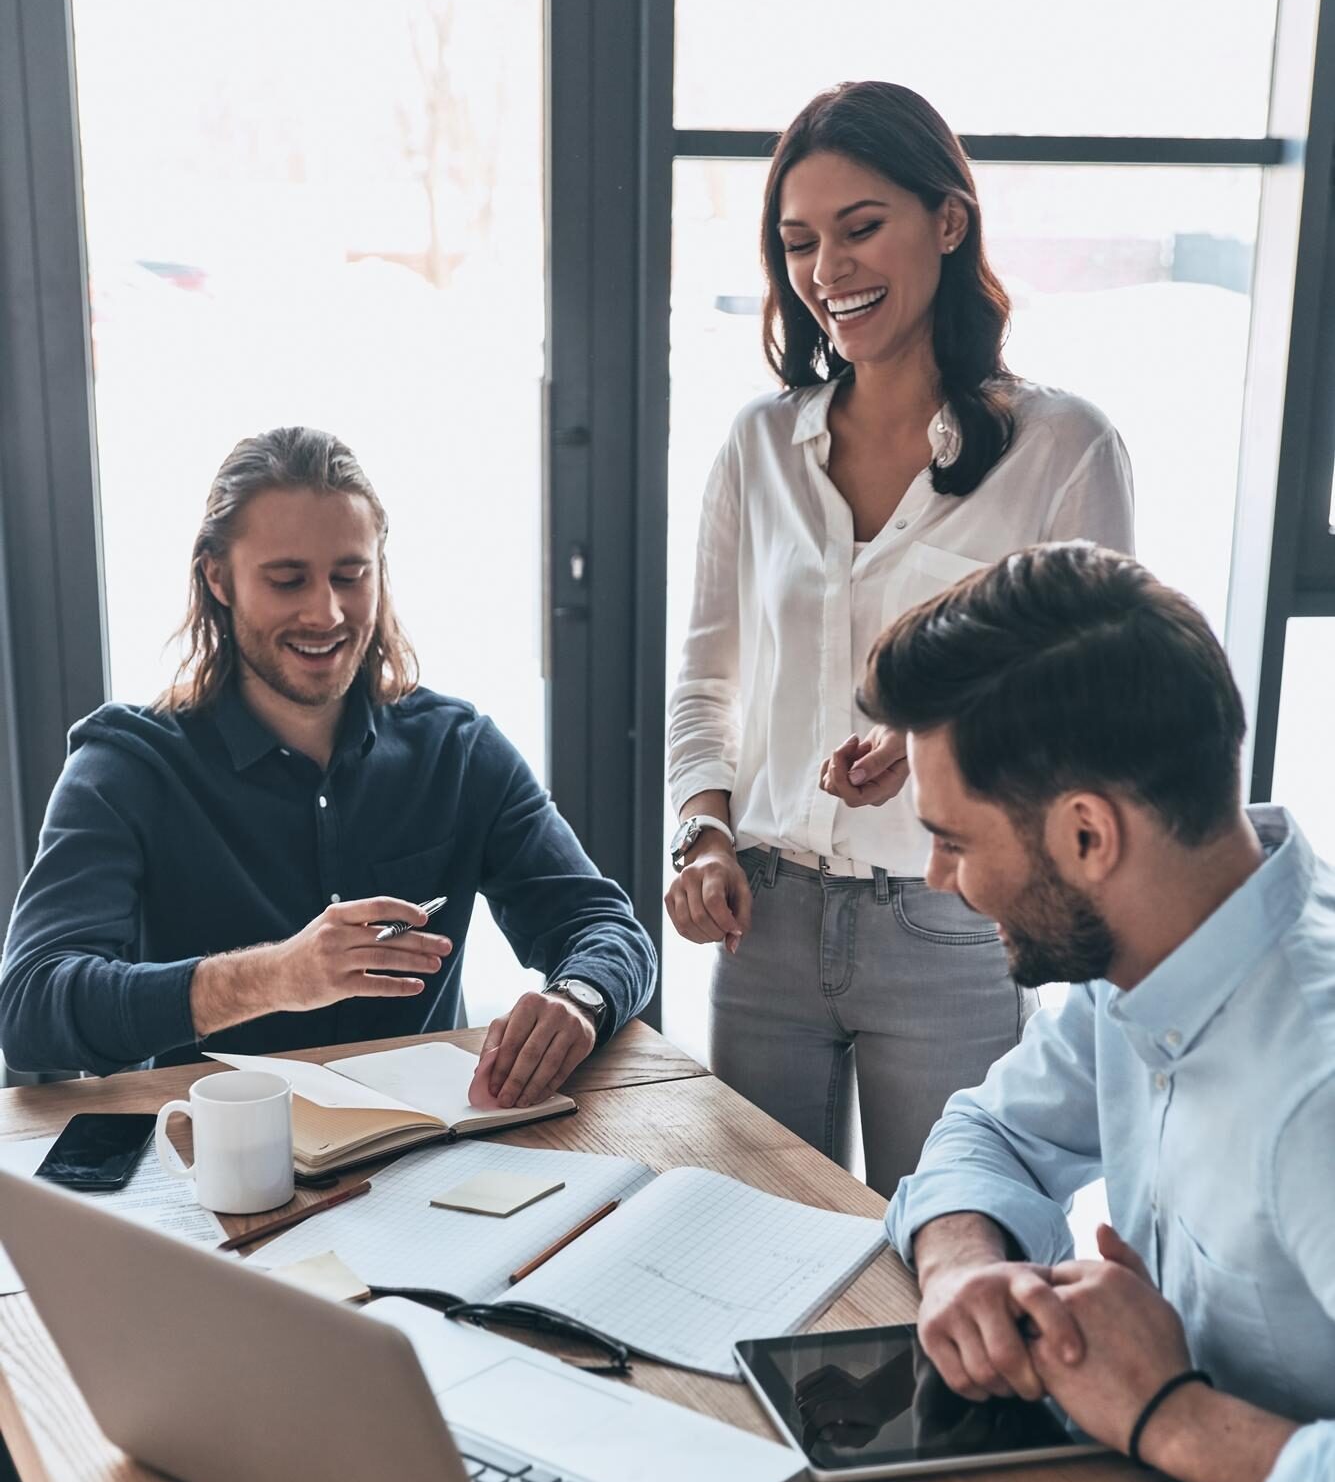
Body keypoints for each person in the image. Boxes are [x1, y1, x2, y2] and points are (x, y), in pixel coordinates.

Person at [665, 80, 1134, 1195]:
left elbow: (1106, 707)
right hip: (761, 927)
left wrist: (942, 742)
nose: (827, 272)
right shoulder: (759, 447)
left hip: (953, 925)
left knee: (950, 1256)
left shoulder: (1064, 448)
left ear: (949, 221)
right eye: (799, 242)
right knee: (754, 1255)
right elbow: (705, 684)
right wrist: (702, 836)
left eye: (860, 227)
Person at [870, 540, 1335, 1482]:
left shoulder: (1317, 1093)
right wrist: (962, 1266)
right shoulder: (1141, 951)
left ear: (1087, 835)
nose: (939, 878)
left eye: (952, 839)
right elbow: (986, 1130)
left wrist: (1169, 1413)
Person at [0, 427, 655, 1109]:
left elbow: (605, 926)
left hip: (424, 1163)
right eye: (288, 580)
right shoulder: (125, 766)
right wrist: (274, 976)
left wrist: (579, 998)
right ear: (216, 577)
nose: (327, 611)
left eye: (350, 575)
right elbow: (29, 1008)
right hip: (208, 1172)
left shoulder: (458, 749)